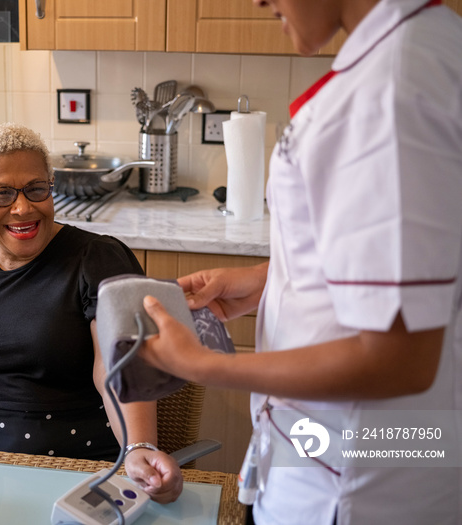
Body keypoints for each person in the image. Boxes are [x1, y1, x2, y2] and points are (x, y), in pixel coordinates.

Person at [138, 1, 462, 524]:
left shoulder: (387, 92)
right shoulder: (430, 47)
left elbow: (400, 359)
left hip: (351, 486)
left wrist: (203, 366)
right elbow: (417, 258)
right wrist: (272, 280)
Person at [0, 122, 182, 503]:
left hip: (78, 475)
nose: (23, 208)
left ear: (52, 187)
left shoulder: (96, 258)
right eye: (1, 194)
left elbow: (118, 368)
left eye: (36, 189)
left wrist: (137, 447)